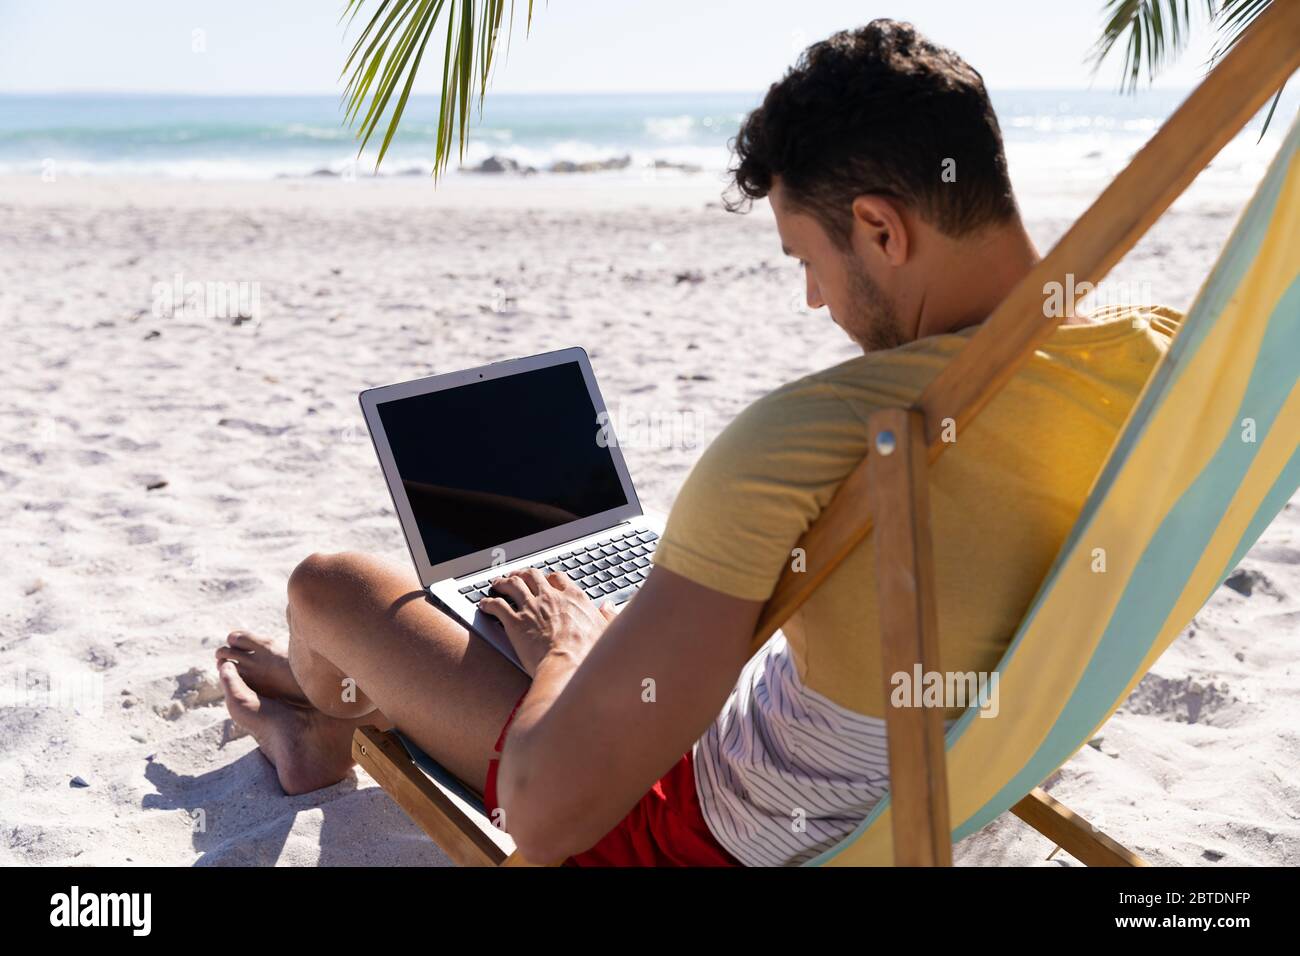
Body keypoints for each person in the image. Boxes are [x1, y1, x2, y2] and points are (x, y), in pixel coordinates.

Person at [216, 18, 1179, 866]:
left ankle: (322, 715)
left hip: (684, 831)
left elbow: (550, 820)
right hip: (958, 785)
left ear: (880, 228)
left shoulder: (822, 435)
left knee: (332, 587)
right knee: (535, 628)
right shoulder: (1163, 361)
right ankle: (323, 701)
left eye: (808, 260)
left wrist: (570, 655)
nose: (817, 301)